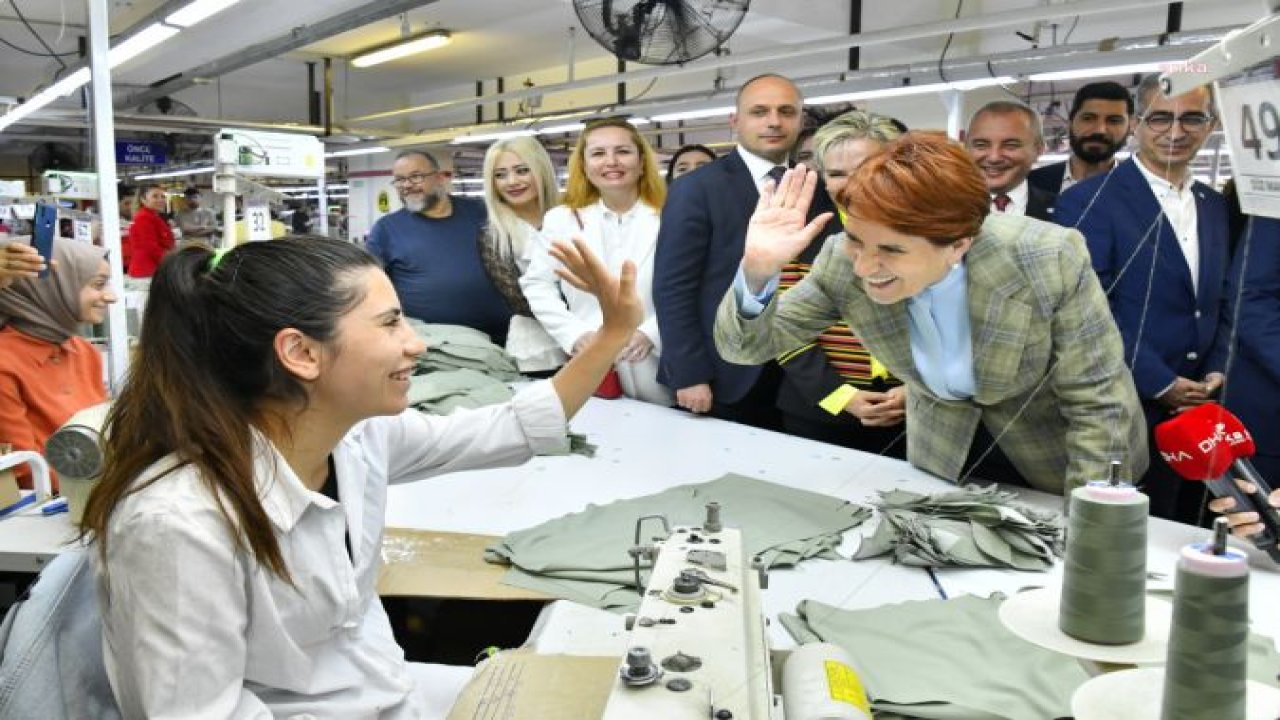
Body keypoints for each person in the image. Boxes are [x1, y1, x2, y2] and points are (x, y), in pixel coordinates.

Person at [78, 234, 642, 717]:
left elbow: (505, 427)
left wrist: (612, 334)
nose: (416, 344)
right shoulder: (180, 525)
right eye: (391, 322)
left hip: (377, 690)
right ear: (301, 352)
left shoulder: (354, 441)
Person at [714, 132, 1147, 494]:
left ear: (959, 244)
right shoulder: (841, 261)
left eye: (891, 250)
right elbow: (744, 348)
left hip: (1056, 453)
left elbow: (1096, 398)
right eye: (857, 240)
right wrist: (758, 270)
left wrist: (1093, 522)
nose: (864, 267)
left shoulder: (1047, 255)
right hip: (943, 452)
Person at [1056, 75, 1229, 524]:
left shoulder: (1217, 206)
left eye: (1192, 118)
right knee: (1130, 532)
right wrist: (1160, 381)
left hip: (1205, 409)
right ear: (1135, 124)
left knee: (1192, 526)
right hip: (1126, 407)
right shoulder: (1089, 202)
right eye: (1160, 118)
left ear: (1211, 125)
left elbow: (1229, 299)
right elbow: (1092, 312)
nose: (1175, 131)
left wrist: (1217, 367)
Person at [654, 73, 841, 428]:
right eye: (759, 112)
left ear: (800, 121)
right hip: (722, 375)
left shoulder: (818, 191)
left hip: (801, 378)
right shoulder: (697, 189)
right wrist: (689, 372)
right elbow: (672, 288)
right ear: (734, 121)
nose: (774, 121)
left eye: (786, 111)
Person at [774, 109, 906, 455]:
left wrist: (917, 390)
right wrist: (843, 397)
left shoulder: (931, 234)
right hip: (819, 411)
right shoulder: (800, 232)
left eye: (866, 168)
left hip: (913, 411)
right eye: (836, 173)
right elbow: (784, 329)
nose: (851, 183)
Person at [522, 118, 673, 405]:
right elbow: (537, 284)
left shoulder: (671, 214)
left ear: (642, 162)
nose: (611, 162)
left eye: (623, 152)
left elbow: (692, 286)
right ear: (584, 165)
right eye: (598, 153)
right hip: (592, 363)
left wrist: (652, 332)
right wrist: (574, 334)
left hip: (657, 358)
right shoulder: (561, 220)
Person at [0, 240, 114, 490]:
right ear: (50, 287)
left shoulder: (82, 350)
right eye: (97, 284)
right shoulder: (5, 363)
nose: (111, 296)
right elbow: (24, 471)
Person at [367, 149, 512, 344]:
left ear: (440, 177)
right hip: (436, 345)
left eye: (416, 177)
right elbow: (369, 284)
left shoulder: (481, 212)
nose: (407, 185)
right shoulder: (387, 229)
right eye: (400, 180)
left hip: (504, 337)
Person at [478, 136, 567, 373]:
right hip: (540, 352)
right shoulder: (494, 235)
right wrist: (576, 324)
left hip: (594, 338)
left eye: (522, 170)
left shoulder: (569, 217)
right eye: (500, 175)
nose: (512, 181)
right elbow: (518, 301)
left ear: (540, 170)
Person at [1028, 81, 1133, 199]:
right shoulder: (1030, 183)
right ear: (1070, 123)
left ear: (1130, 127)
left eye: (1114, 121)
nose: (1100, 130)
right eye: (1088, 118)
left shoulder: (1143, 189)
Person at [964, 100, 1055, 221]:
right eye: (981, 145)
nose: (994, 157)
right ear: (966, 148)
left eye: (1010, 145)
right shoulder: (939, 209)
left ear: (1038, 150)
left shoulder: (1064, 210)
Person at [127, 184, 175, 278]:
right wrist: (172, 262)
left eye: (163, 196)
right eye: (155, 196)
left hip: (155, 269)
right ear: (143, 200)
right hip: (148, 270)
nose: (160, 200)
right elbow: (151, 248)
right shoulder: (144, 218)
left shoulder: (153, 217)